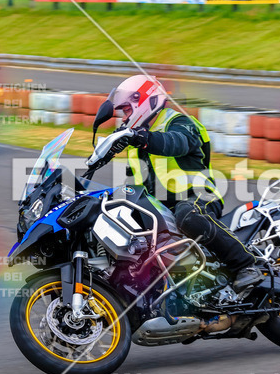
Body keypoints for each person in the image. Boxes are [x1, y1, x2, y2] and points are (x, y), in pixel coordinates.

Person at [94, 75, 263, 292]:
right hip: (161, 209)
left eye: (126, 110)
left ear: (145, 102)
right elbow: (133, 184)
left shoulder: (181, 122)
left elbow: (176, 143)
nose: (124, 117)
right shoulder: (136, 143)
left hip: (198, 197)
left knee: (187, 216)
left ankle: (246, 265)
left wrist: (144, 138)